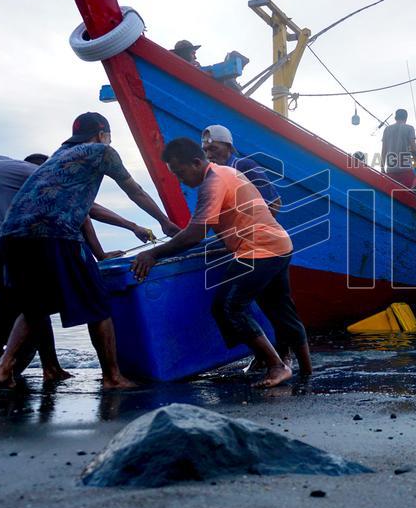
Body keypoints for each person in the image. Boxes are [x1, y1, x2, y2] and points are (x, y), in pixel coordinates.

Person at [0, 112, 181, 389]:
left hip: (12, 235)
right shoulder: (102, 151)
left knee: (34, 307)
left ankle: (4, 368)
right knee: (97, 304)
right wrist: (164, 222)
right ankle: (113, 377)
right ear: (102, 134)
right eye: (109, 136)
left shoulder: (59, 154)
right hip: (54, 234)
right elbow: (134, 190)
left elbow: (83, 207)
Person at [0, 153, 154, 377]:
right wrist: (126, 231)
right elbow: (86, 209)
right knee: (36, 300)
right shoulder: (37, 176)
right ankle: (33, 367)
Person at [131, 138, 311, 387]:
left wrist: (152, 254)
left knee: (227, 307)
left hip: (258, 251)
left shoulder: (211, 183)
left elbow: (196, 233)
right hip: (280, 246)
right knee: (281, 309)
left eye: (180, 173)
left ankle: (276, 365)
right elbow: (209, 225)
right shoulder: (226, 171)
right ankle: (307, 372)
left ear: (196, 163)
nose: (180, 180)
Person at [201, 124, 281, 216]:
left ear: (229, 148)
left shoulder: (244, 166)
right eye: (205, 151)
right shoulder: (212, 177)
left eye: (213, 149)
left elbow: (274, 203)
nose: (208, 155)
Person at [380, 109, 416, 187]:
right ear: (406, 118)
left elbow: (384, 150)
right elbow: (413, 148)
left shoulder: (387, 129)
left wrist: (382, 167)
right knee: (410, 195)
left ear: (395, 118)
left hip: (391, 170)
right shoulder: (409, 128)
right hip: (406, 170)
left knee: (392, 195)